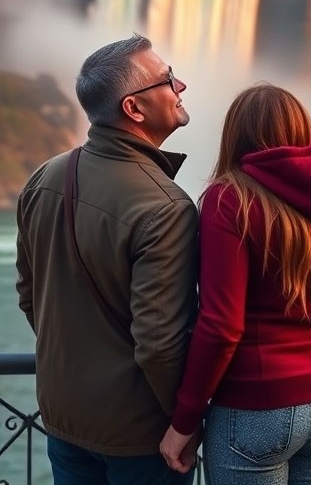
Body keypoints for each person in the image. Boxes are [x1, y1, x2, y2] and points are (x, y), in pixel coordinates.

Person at [160, 83, 311, 485]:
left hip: (255, 405)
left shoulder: (229, 198)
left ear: (236, 136)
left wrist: (184, 420)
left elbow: (221, 326)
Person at [16, 34, 199, 485]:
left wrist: (82, 360)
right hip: (140, 436)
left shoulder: (45, 176)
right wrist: (185, 422)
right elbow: (160, 342)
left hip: (64, 419)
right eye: (169, 79)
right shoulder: (165, 206)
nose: (182, 86)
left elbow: (28, 294)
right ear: (134, 109)